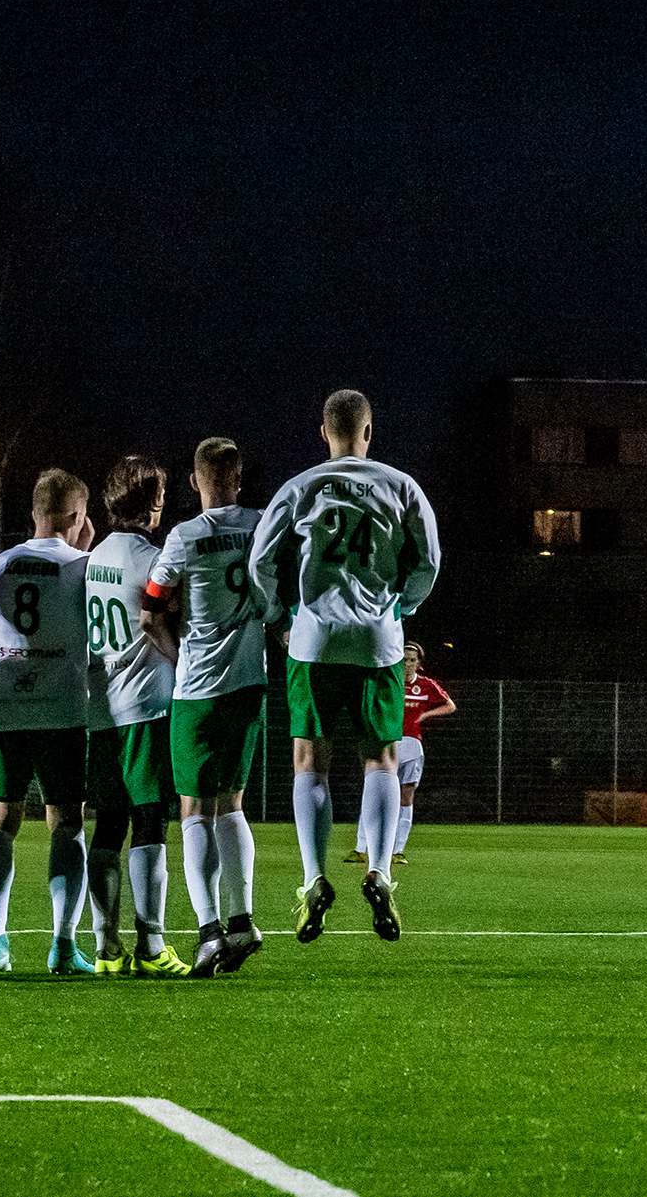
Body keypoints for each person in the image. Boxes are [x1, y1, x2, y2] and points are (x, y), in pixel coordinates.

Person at [249, 389, 441, 944]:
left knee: (310, 761)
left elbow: (262, 559)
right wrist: (402, 606)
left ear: (324, 431)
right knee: (380, 759)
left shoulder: (301, 486)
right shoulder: (401, 486)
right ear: (369, 431)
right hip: (378, 640)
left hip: (313, 638)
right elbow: (429, 560)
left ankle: (314, 880)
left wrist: (277, 614)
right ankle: (379, 870)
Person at [142, 437, 270, 976]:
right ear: (238, 477)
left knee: (194, 809)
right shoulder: (263, 523)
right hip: (249, 683)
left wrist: (177, 659)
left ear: (195, 482)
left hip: (197, 688)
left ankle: (210, 933)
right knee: (233, 804)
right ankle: (242, 922)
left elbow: (150, 612)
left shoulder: (184, 537)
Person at [0, 468, 98, 976]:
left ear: (32, 511)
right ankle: (63, 946)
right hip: (64, 708)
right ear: (77, 516)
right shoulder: (84, 566)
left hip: (5, 709)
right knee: (66, 822)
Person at [83, 455, 189, 977]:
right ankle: (151, 946)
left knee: (107, 825)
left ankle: (106, 947)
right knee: (150, 822)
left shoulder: (92, 557)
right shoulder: (155, 557)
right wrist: (182, 662)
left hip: (100, 709)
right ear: (153, 502)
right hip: (147, 705)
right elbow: (158, 623)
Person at [346, 640, 454, 866]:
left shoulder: (425, 685)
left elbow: (450, 705)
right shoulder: (387, 680)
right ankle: (360, 849)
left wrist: (425, 716)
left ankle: (397, 851)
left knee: (406, 796)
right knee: (373, 793)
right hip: (385, 743)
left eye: (412, 660)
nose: (407, 664)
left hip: (412, 744)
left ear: (419, 664)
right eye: (403, 659)